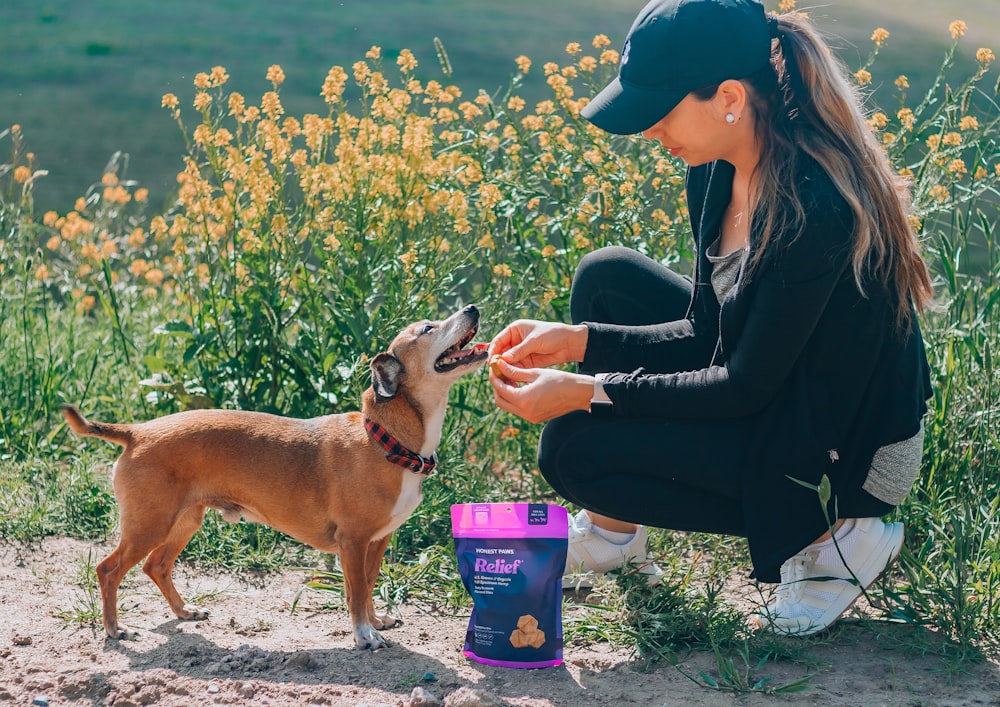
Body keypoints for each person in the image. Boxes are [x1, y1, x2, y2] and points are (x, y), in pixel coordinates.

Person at [487, 0, 933, 635]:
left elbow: (742, 383)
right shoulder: (718, 168)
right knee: (605, 280)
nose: (648, 131)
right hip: (783, 381)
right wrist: (579, 340)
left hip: (848, 447)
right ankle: (615, 539)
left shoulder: (814, 205)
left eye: (660, 110)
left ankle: (836, 540)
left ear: (729, 96)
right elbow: (706, 332)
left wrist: (588, 390)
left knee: (576, 453)